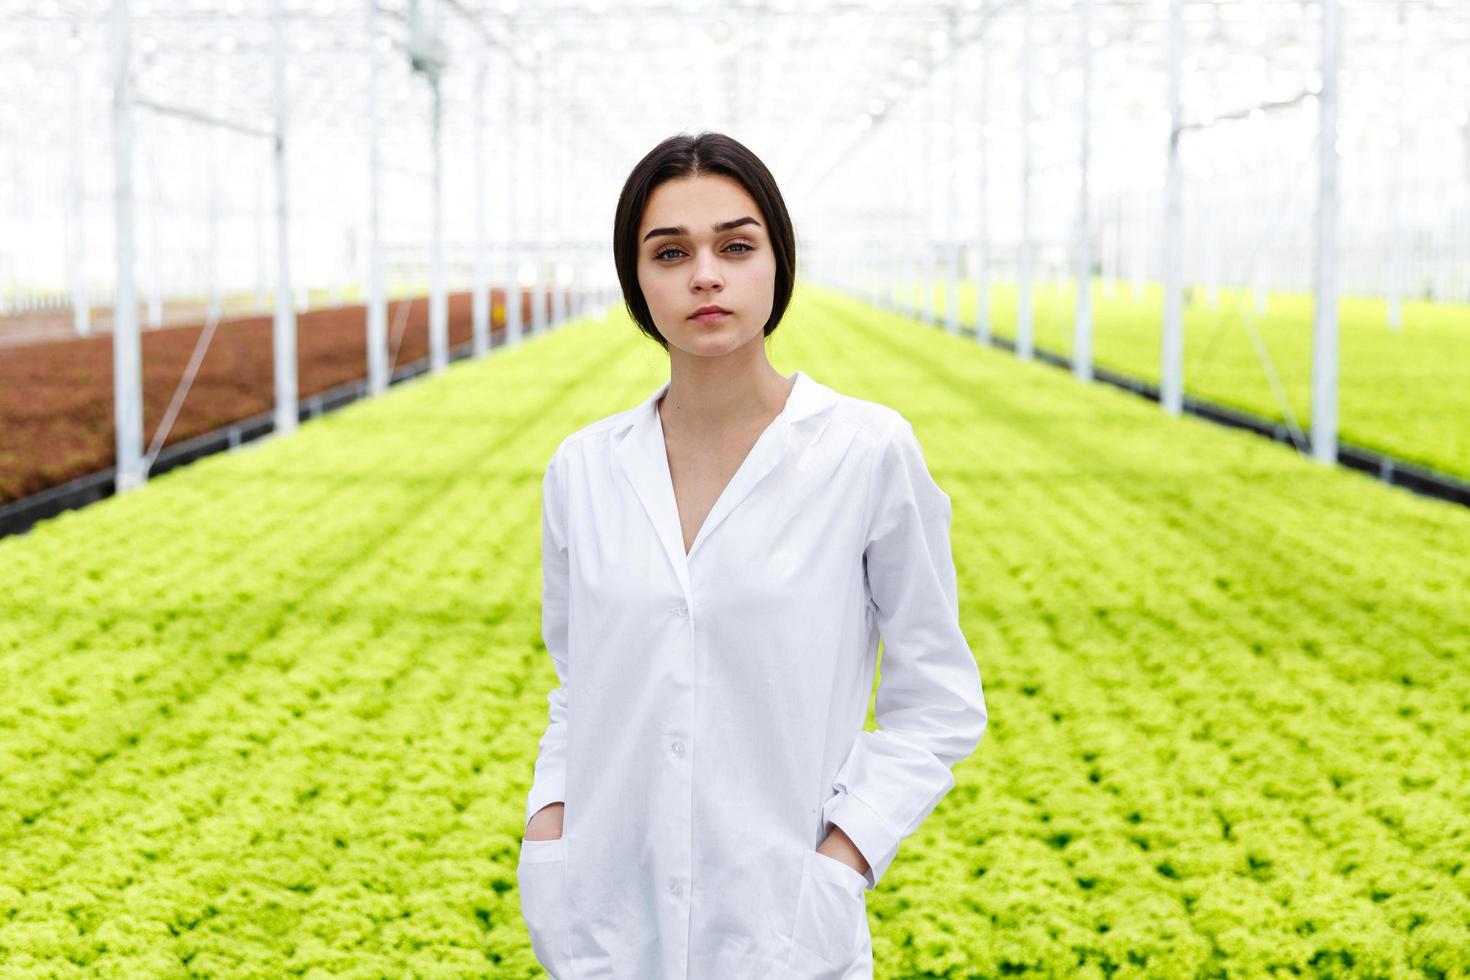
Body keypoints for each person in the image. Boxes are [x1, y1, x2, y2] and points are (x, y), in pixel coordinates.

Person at [516, 131, 988, 980]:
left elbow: (939, 702)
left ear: (778, 263)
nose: (706, 274)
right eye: (671, 252)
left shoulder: (865, 452)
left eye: (736, 245)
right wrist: (548, 828)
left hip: (786, 932)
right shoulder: (583, 469)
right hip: (606, 928)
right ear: (637, 281)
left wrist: (841, 865)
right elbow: (579, 687)